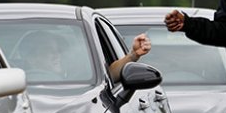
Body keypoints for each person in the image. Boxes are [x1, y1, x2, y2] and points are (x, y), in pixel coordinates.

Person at [21, 30, 151, 82]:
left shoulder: (81, 81)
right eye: (48, 51)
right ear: (30, 58)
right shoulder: (12, 89)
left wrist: (133, 55)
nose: (57, 56)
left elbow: (108, 78)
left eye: (58, 51)